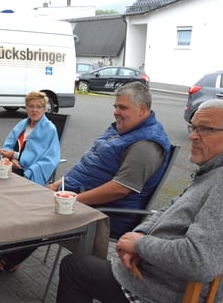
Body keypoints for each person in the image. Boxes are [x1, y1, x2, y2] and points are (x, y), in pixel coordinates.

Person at [52, 99, 223, 303]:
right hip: (173, 289)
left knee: (76, 268)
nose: (193, 136)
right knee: (85, 265)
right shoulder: (222, 170)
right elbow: (169, 208)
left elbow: (200, 261)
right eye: (193, 127)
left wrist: (141, 246)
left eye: (205, 129)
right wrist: (139, 237)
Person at [48, 82, 171, 239]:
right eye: (115, 107)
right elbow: (88, 165)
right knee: (27, 203)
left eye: (123, 108)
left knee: (34, 216)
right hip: (76, 200)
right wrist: (56, 185)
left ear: (142, 109)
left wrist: (70, 201)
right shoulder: (123, 130)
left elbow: (120, 188)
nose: (116, 112)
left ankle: (8, 261)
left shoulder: (146, 145)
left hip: (104, 215)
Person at [0, 91, 61, 274]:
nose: (34, 110)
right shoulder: (22, 124)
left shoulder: (49, 129)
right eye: (31, 106)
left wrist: (16, 157)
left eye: (38, 107)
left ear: (44, 109)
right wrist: (10, 158)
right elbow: (8, 147)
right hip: (14, 166)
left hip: (31, 171)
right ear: (26, 108)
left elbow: (46, 158)